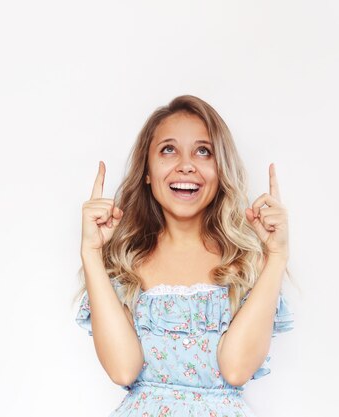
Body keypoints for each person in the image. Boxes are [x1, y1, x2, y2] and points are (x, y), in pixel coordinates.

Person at [75, 95, 295, 416]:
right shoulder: (124, 266)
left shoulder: (246, 265)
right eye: (168, 150)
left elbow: (235, 371)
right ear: (147, 172)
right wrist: (91, 253)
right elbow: (123, 370)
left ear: (220, 171)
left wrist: (276, 256)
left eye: (203, 151)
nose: (186, 165)